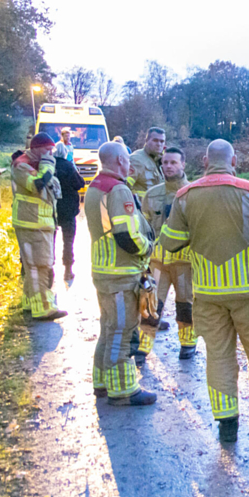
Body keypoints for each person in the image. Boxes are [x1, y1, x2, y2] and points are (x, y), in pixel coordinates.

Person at [161, 139, 249, 442]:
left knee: (218, 355)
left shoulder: (184, 196)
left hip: (208, 293)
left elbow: (170, 242)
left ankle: (227, 424)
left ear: (204, 162)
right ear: (234, 161)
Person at [85, 141, 157, 406]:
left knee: (108, 329)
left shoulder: (96, 186)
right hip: (121, 273)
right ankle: (123, 390)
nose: (130, 164)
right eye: (127, 159)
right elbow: (126, 234)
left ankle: (102, 382)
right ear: (120, 161)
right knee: (122, 331)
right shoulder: (118, 190)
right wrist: (147, 248)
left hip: (104, 271)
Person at [140, 147, 196, 359]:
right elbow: (143, 227)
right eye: (165, 162)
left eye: (173, 162)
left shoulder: (194, 194)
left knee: (186, 305)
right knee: (151, 303)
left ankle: (188, 344)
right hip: (157, 262)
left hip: (185, 262)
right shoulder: (152, 195)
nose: (168, 166)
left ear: (183, 164)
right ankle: (143, 346)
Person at [11, 133, 67, 321]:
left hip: (38, 223)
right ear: (35, 148)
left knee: (33, 266)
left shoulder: (34, 163)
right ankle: (44, 308)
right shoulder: (22, 165)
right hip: (32, 223)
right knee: (41, 266)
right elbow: (37, 186)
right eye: (47, 149)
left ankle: (30, 303)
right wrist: (48, 165)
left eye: (52, 150)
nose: (51, 153)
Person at [53, 150, 85, 285]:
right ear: (65, 153)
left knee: (50, 241)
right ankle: (67, 270)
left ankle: (49, 270)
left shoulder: (49, 165)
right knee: (68, 241)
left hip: (52, 209)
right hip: (68, 210)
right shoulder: (68, 166)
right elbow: (80, 183)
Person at [127, 127, 166, 200]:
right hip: (141, 206)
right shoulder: (136, 159)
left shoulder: (162, 160)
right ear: (146, 141)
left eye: (162, 141)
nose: (159, 144)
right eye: (155, 140)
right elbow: (125, 187)